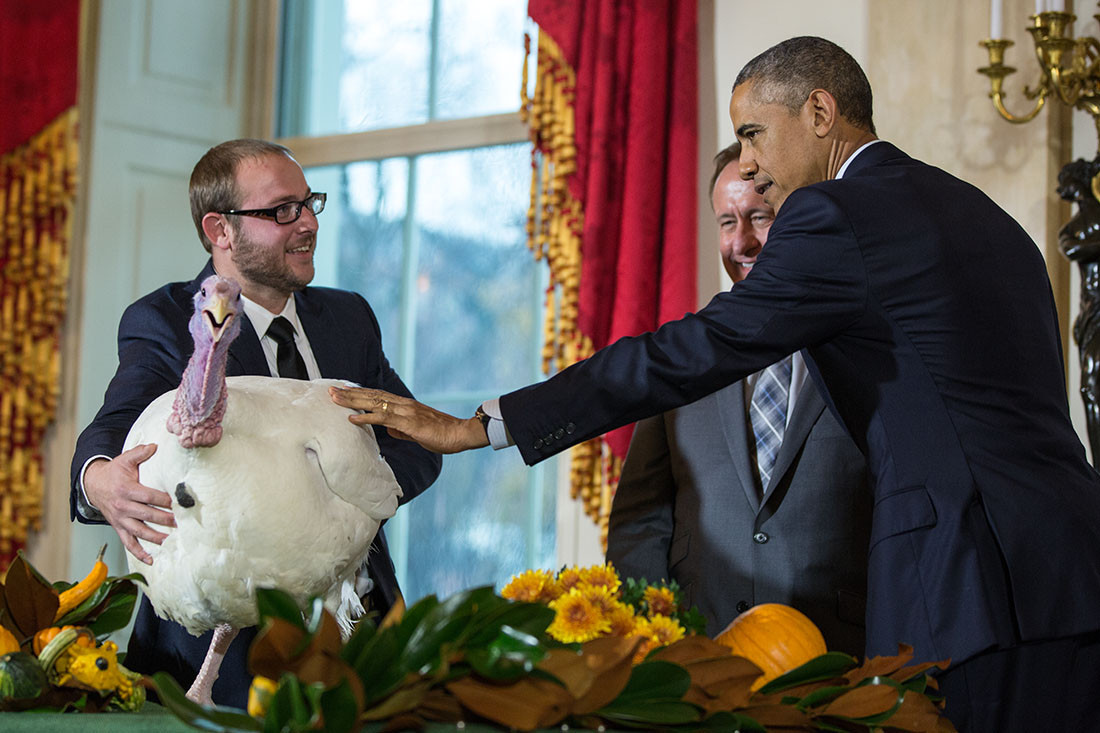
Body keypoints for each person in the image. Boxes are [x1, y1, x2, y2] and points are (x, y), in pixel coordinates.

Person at [332, 37, 1100, 731]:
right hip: (1071, 577)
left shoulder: (834, 212)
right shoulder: (989, 218)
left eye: (754, 133)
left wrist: (484, 425)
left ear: (822, 112)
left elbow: (697, 347)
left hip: (962, 590)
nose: (751, 162)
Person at [70, 138, 443, 708]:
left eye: (311, 203)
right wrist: (99, 479)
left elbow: (417, 441)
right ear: (219, 229)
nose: (308, 223)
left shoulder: (350, 318)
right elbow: (118, 422)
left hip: (355, 641)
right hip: (211, 665)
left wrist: (340, 499)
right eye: (281, 211)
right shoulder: (166, 320)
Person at [606, 142, 871, 654]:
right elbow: (640, 518)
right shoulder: (681, 354)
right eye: (727, 223)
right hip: (699, 659)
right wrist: (658, 639)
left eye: (759, 217)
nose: (742, 242)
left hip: (838, 660)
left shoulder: (861, 351)